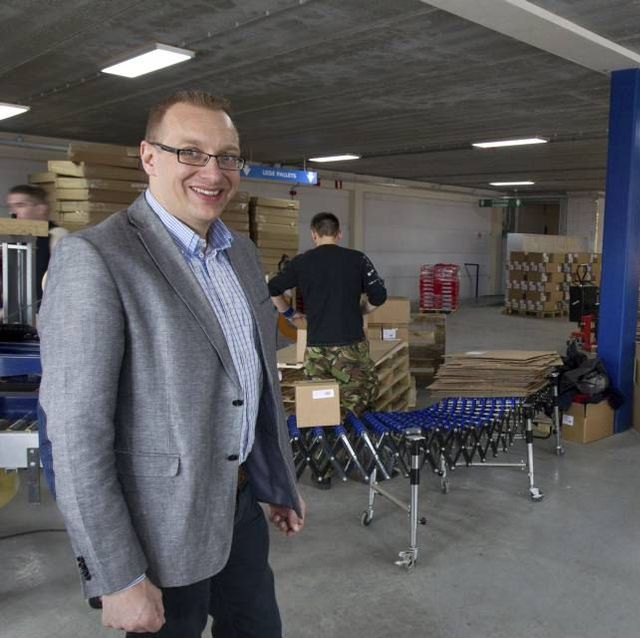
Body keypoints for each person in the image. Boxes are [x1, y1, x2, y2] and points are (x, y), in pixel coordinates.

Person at [38, 90, 305, 637]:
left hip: (239, 505)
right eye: (191, 152)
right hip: (157, 529)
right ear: (149, 156)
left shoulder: (242, 254)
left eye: (227, 156)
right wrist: (116, 576)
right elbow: (74, 434)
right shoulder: (98, 259)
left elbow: (252, 379)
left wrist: (272, 479)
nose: (213, 171)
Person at [268, 212, 387, 419]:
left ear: (314, 235)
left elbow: (273, 288)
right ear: (339, 234)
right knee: (357, 401)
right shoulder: (357, 259)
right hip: (351, 346)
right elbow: (379, 296)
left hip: (317, 348)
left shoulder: (301, 262)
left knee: (320, 403)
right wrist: (362, 310)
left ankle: (327, 445)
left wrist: (288, 312)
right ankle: (354, 444)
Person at [6, 184, 69, 300]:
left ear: (41, 209)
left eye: (20, 205)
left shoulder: (58, 236)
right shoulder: (14, 238)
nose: (13, 213)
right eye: (11, 207)